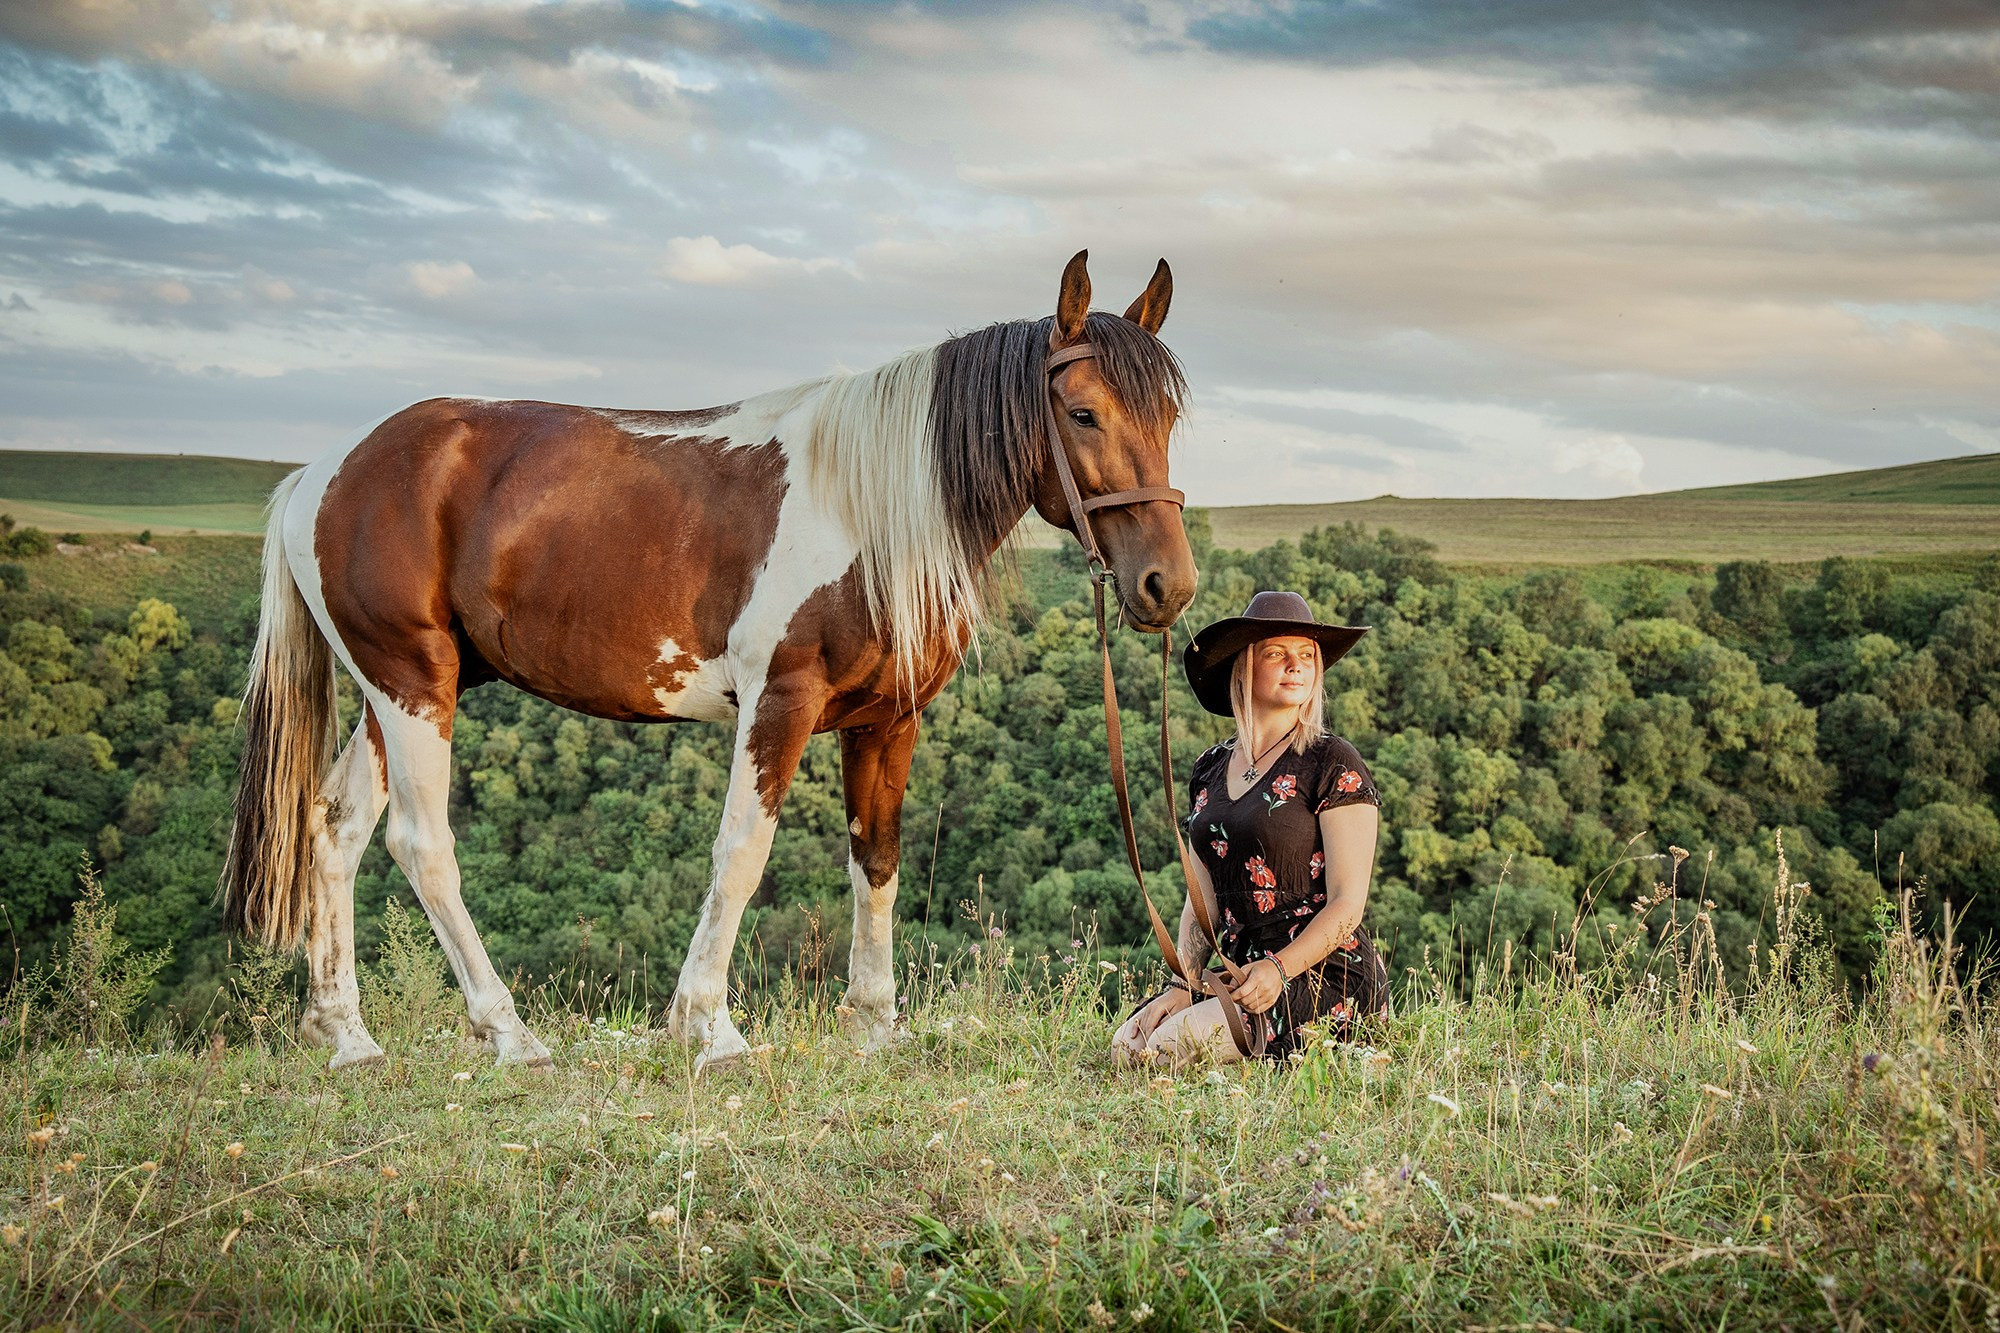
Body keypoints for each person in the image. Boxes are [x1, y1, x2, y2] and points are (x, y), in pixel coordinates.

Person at [1112, 590, 1389, 1066]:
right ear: (1243, 667)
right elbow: (1202, 894)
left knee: (1167, 1050)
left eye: (1307, 655)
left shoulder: (1333, 761)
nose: (1296, 666)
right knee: (1128, 1047)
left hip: (1320, 973)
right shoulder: (1210, 767)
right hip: (1239, 971)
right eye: (1277, 653)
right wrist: (1183, 982)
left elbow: (1348, 904)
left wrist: (1279, 969)